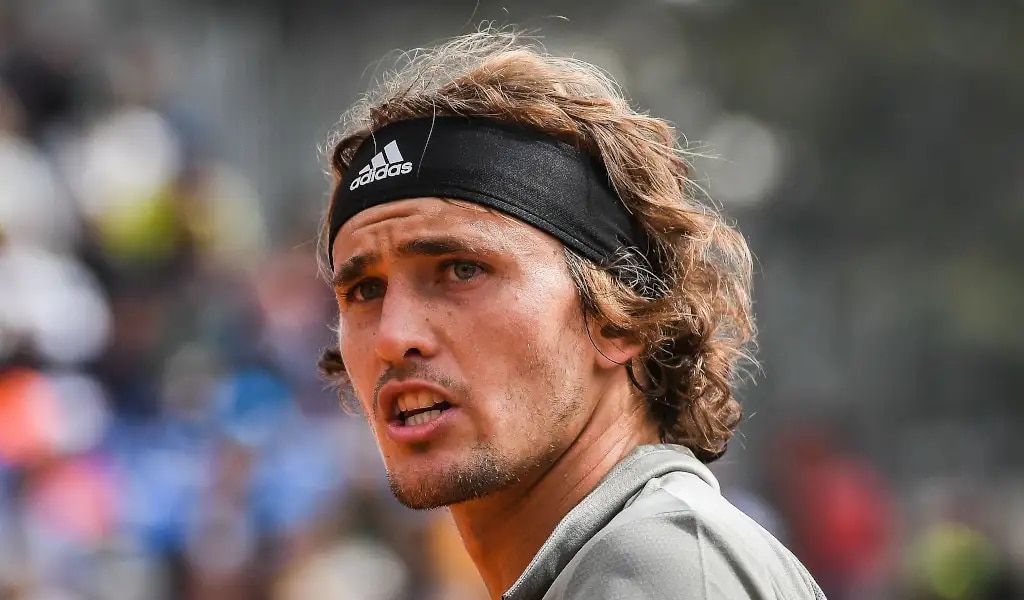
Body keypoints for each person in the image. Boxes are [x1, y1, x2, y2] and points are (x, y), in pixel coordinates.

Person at [317, 29, 826, 600]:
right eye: (364, 290)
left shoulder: (664, 566)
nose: (393, 336)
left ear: (618, 316)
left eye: (461, 270)